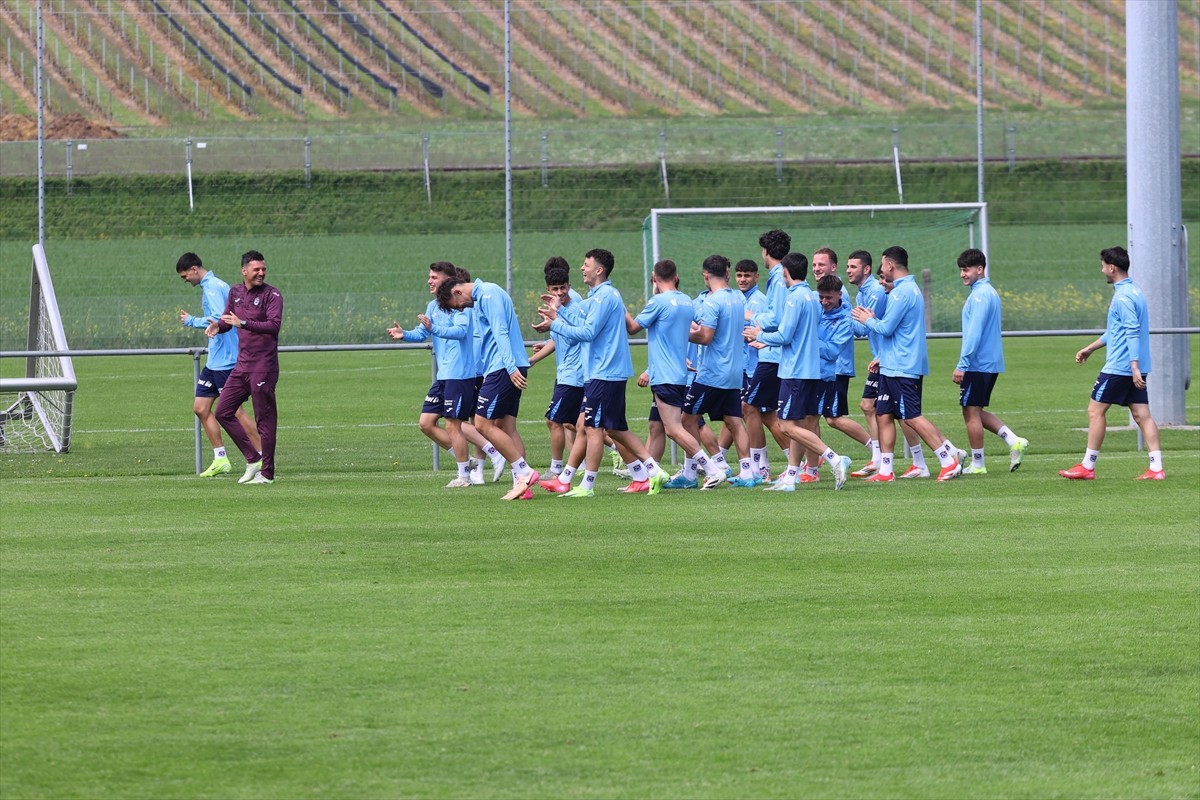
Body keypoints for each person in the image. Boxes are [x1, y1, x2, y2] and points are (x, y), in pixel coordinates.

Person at [534, 248, 666, 497]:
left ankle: (587, 485)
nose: (582, 268)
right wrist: (558, 310)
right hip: (601, 372)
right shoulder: (596, 295)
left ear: (599, 269)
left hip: (604, 371)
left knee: (594, 428)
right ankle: (650, 472)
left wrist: (556, 323)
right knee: (612, 429)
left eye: (586, 264)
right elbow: (580, 317)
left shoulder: (605, 296)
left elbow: (587, 332)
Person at [850, 246, 963, 483]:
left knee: (911, 416)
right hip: (891, 364)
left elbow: (886, 328)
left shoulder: (903, 293)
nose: (882, 270)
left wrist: (868, 319)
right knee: (883, 414)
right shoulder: (901, 291)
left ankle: (947, 459)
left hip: (903, 366)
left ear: (890, 265)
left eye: (883, 264)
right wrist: (883, 356)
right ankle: (885, 471)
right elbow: (898, 332)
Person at [389, 262, 503, 488]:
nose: (429, 281)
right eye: (429, 276)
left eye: (434, 277)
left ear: (448, 280)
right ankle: (468, 460)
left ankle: (464, 476)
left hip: (460, 375)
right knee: (426, 423)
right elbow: (423, 333)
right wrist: (404, 334)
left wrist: (434, 329)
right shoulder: (433, 306)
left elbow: (460, 332)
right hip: (444, 375)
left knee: (453, 424)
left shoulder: (459, 305)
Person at [745, 252, 851, 491]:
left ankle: (835, 458)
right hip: (809, 370)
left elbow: (785, 335)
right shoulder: (811, 297)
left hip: (795, 371)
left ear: (785, 273)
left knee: (786, 425)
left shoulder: (795, 298)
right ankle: (791, 477)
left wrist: (758, 334)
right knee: (800, 425)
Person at [1060, 246, 1165, 481]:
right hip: (1132, 367)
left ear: (1111, 267)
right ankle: (1157, 468)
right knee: (1142, 414)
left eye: (1102, 266)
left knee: (1095, 411)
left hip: (1121, 367)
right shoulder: (1135, 292)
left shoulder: (1123, 297)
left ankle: (1088, 466)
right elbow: (1115, 332)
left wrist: (1134, 365)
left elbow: (1132, 331)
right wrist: (1090, 348)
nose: (1101, 270)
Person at [625, 259, 724, 490]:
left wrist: (619, 305)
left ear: (654, 277)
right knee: (658, 426)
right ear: (676, 276)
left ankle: (712, 469)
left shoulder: (657, 302)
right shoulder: (686, 301)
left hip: (664, 375)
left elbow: (632, 328)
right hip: (678, 374)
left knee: (673, 429)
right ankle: (653, 474)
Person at [444, 273, 538, 500]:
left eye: (455, 305)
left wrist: (510, 367)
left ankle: (525, 472)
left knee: (482, 423)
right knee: (506, 425)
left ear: (457, 292)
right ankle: (522, 485)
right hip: (502, 367)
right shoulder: (480, 299)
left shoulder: (488, 294)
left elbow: (501, 332)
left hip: (504, 368)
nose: (459, 309)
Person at [176, 252, 260, 477]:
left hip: (226, 361)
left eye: (185, 276)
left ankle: (261, 456)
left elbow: (218, 319)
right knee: (201, 408)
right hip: (214, 361)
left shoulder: (212, 287)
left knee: (236, 412)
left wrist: (191, 320)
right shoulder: (213, 285)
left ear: (194, 269)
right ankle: (221, 458)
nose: (185, 280)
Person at [206, 250, 282, 485]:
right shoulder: (235, 292)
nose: (261, 273)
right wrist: (219, 326)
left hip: (263, 366)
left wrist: (244, 323)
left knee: (264, 419)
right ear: (244, 271)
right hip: (242, 366)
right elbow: (229, 319)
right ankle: (252, 458)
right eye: (256, 269)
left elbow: (273, 326)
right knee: (223, 411)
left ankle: (267, 473)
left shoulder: (272, 294)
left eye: (263, 269)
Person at [685, 255, 760, 488]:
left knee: (685, 420)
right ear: (726, 273)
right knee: (734, 422)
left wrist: (680, 332)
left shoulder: (712, 302)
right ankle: (747, 472)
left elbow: (705, 337)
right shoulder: (738, 298)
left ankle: (703, 469)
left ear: (706, 275)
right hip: (735, 371)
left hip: (712, 373)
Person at [953, 248, 1030, 474]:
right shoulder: (989, 292)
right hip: (988, 362)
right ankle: (1014, 440)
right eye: (961, 270)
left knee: (970, 411)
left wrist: (963, 364)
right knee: (974, 410)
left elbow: (974, 333)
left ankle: (978, 464)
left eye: (966, 270)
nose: (962, 274)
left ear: (980, 269)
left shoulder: (979, 295)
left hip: (978, 363)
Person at [743, 230, 793, 481]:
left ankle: (758, 468)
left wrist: (753, 319)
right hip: (770, 352)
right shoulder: (776, 276)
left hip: (772, 355)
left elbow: (777, 317)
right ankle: (787, 464)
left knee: (750, 407)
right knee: (767, 414)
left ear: (765, 251)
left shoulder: (779, 277)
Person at [528, 262, 585, 478]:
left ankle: (557, 469)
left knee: (554, 420)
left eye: (563, 287)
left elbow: (579, 333)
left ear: (569, 285)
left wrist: (552, 322)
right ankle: (627, 457)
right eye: (555, 289)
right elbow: (558, 338)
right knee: (579, 424)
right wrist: (534, 359)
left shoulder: (575, 306)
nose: (560, 292)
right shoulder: (556, 310)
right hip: (566, 373)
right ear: (548, 290)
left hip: (574, 375)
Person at [816, 275, 871, 466]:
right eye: (814, 264)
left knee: (833, 418)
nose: (824, 302)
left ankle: (875, 450)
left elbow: (833, 350)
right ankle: (812, 464)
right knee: (809, 419)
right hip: (811, 373)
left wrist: (806, 342)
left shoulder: (845, 318)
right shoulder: (815, 308)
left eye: (821, 265)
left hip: (835, 372)